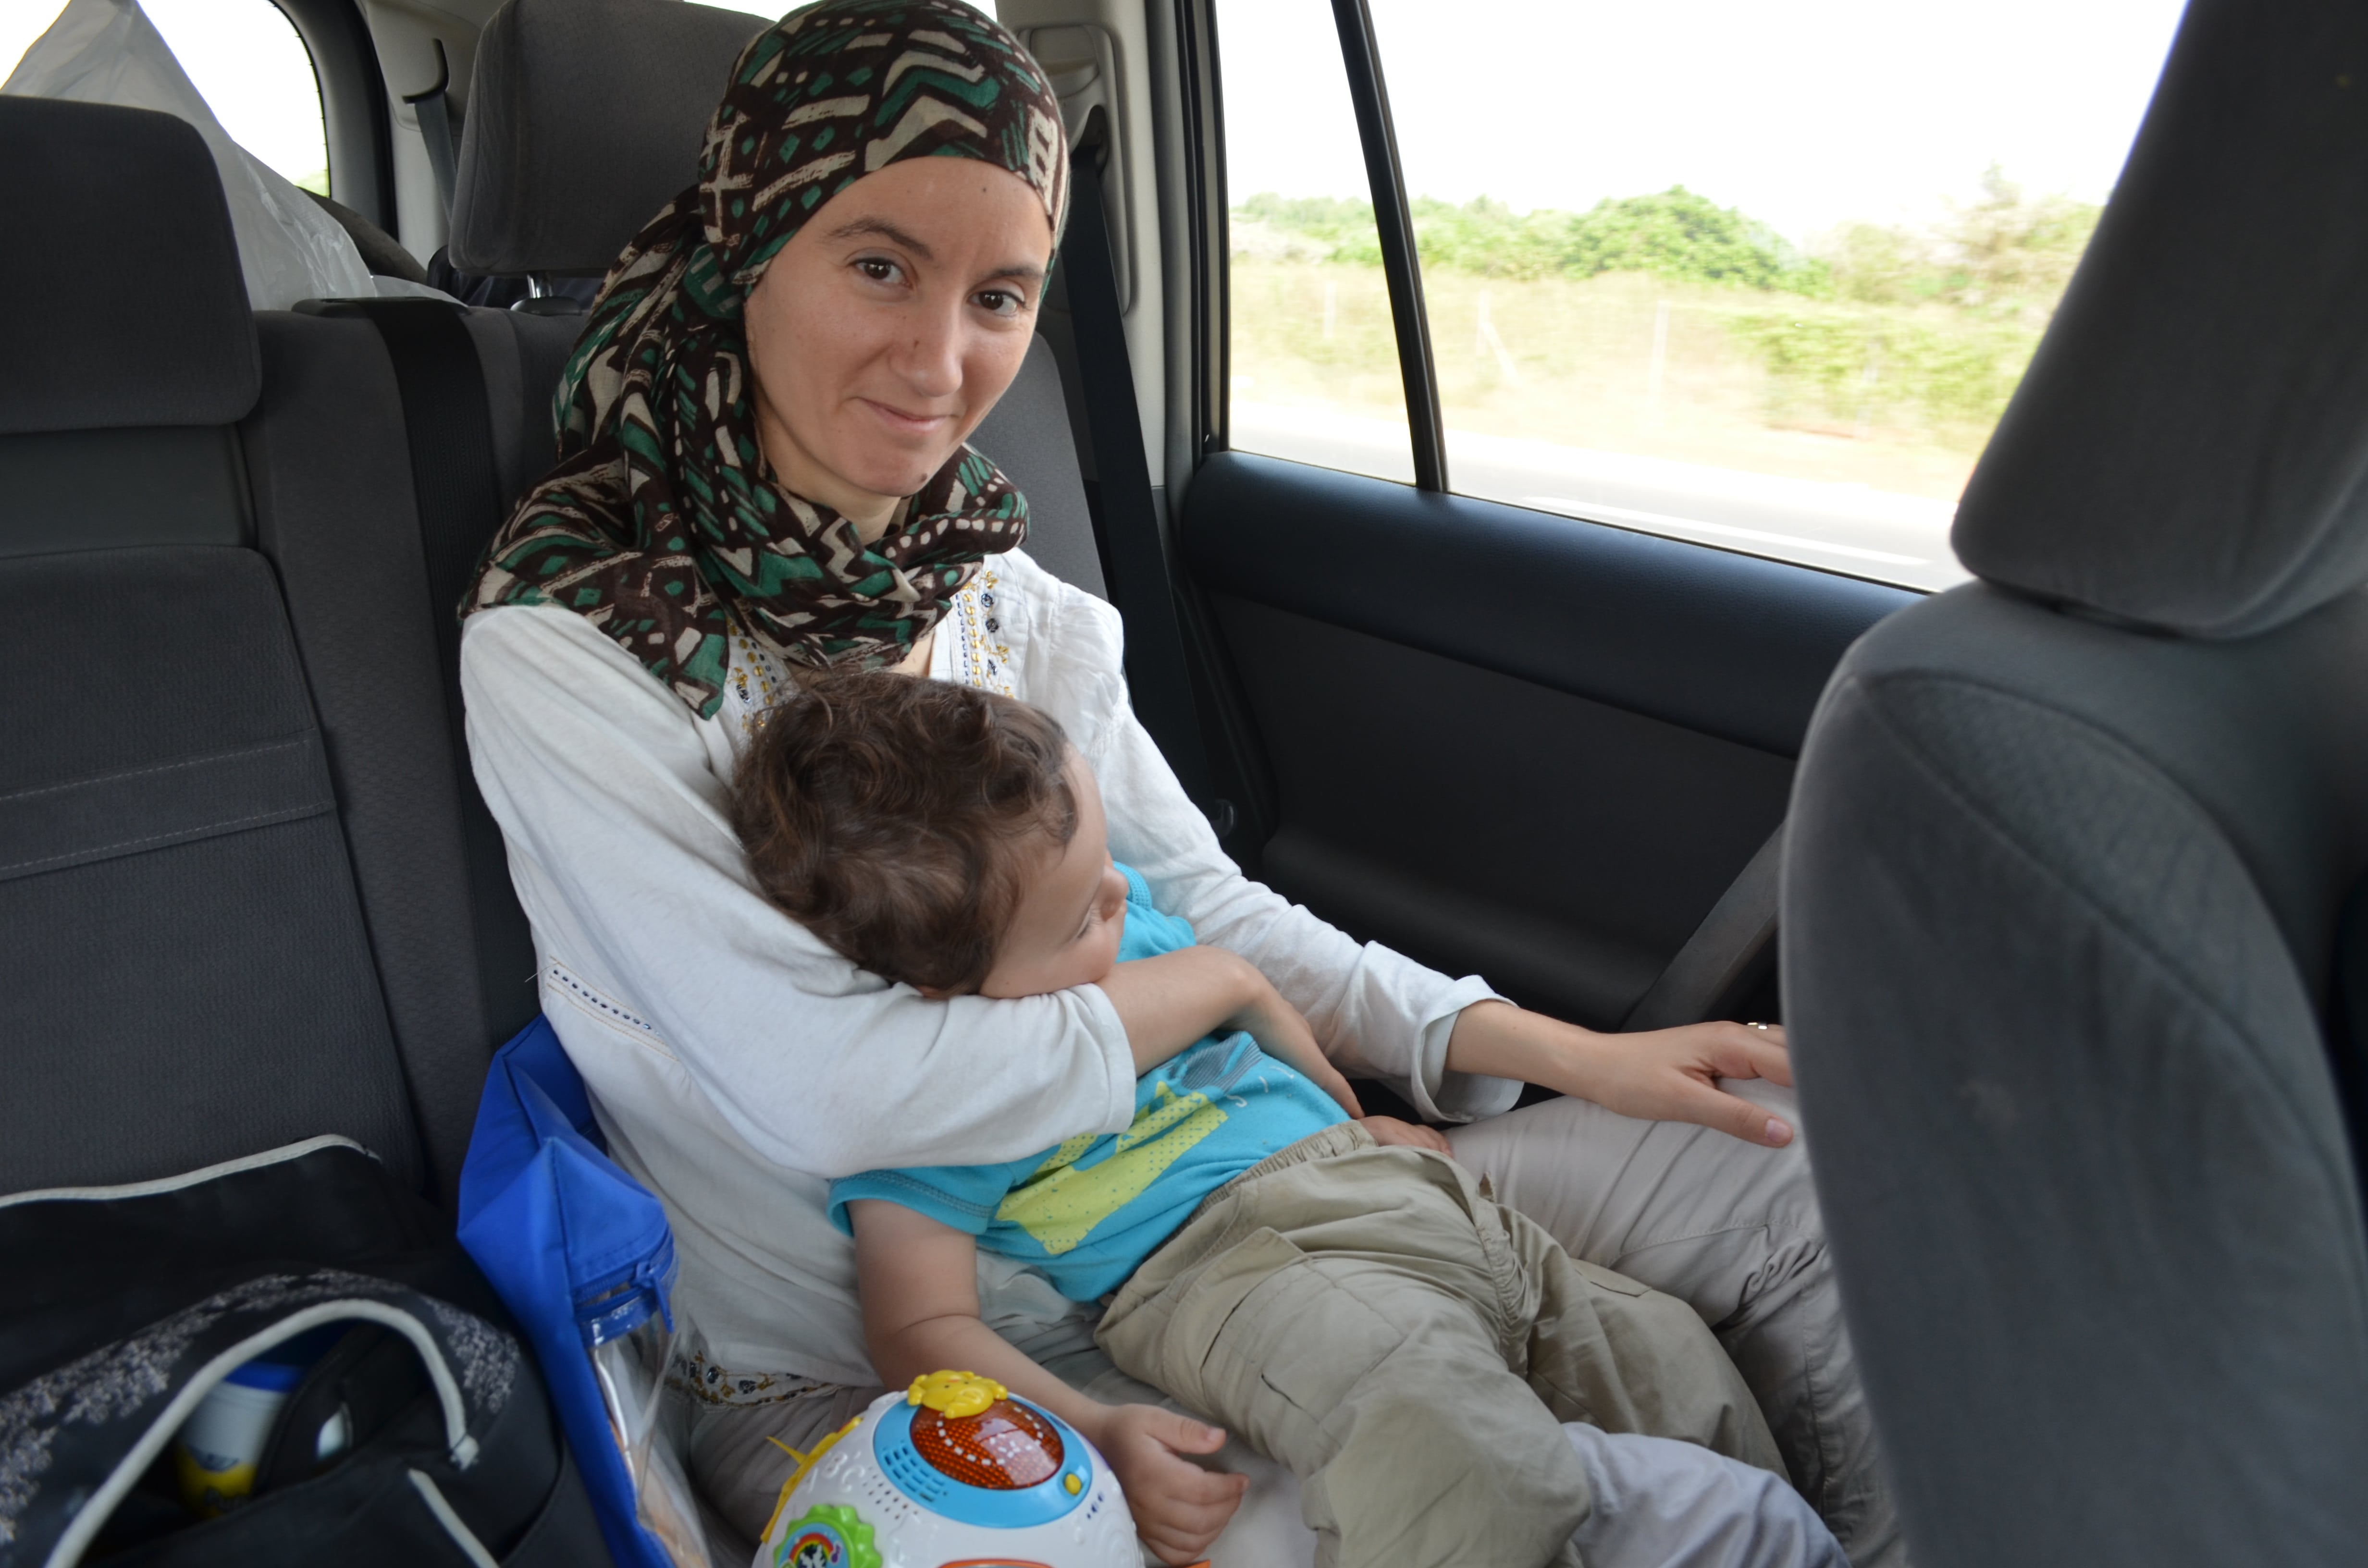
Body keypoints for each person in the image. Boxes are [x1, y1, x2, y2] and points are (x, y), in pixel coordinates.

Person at [457, 1, 1902, 1563]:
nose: (939, 364)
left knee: (1800, 1177)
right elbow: (837, 1092)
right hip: (913, 1350)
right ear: (751, 244)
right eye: (877, 265)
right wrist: (1197, 990)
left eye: (999, 295)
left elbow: (1202, 900)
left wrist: (1568, 1053)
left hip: (1262, 1181)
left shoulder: (997, 590)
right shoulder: (578, 635)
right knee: (1681, 1526)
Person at [725, 670, 1841, 1568]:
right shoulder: (934, 1105)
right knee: (1443, 1450)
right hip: (1233, 1269)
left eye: (1109, 869)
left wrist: (1348, 1125)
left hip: (1400, 1197)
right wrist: (1096, 1428)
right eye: (1081, 919)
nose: (1124, 899)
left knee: (1672, 1371)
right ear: (943, 987)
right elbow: (917, 1331)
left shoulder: (1133, 918)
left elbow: (1253, 991)